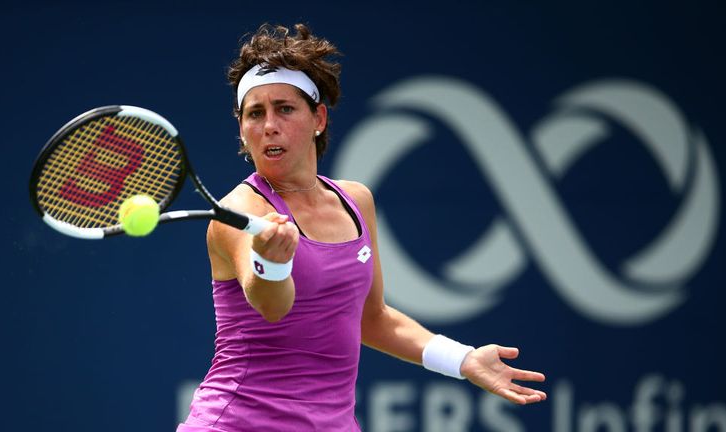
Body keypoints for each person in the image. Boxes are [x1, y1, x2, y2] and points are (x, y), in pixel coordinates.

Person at [177, 23, 546, 432]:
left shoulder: (356, 201)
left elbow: (372, 318)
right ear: (242, 131)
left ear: (318, 118)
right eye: (255, 113)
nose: (269, 126)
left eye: (285, 108)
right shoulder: (239, 211)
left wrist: (462, 359)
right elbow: (271, 305)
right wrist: (272, 262)